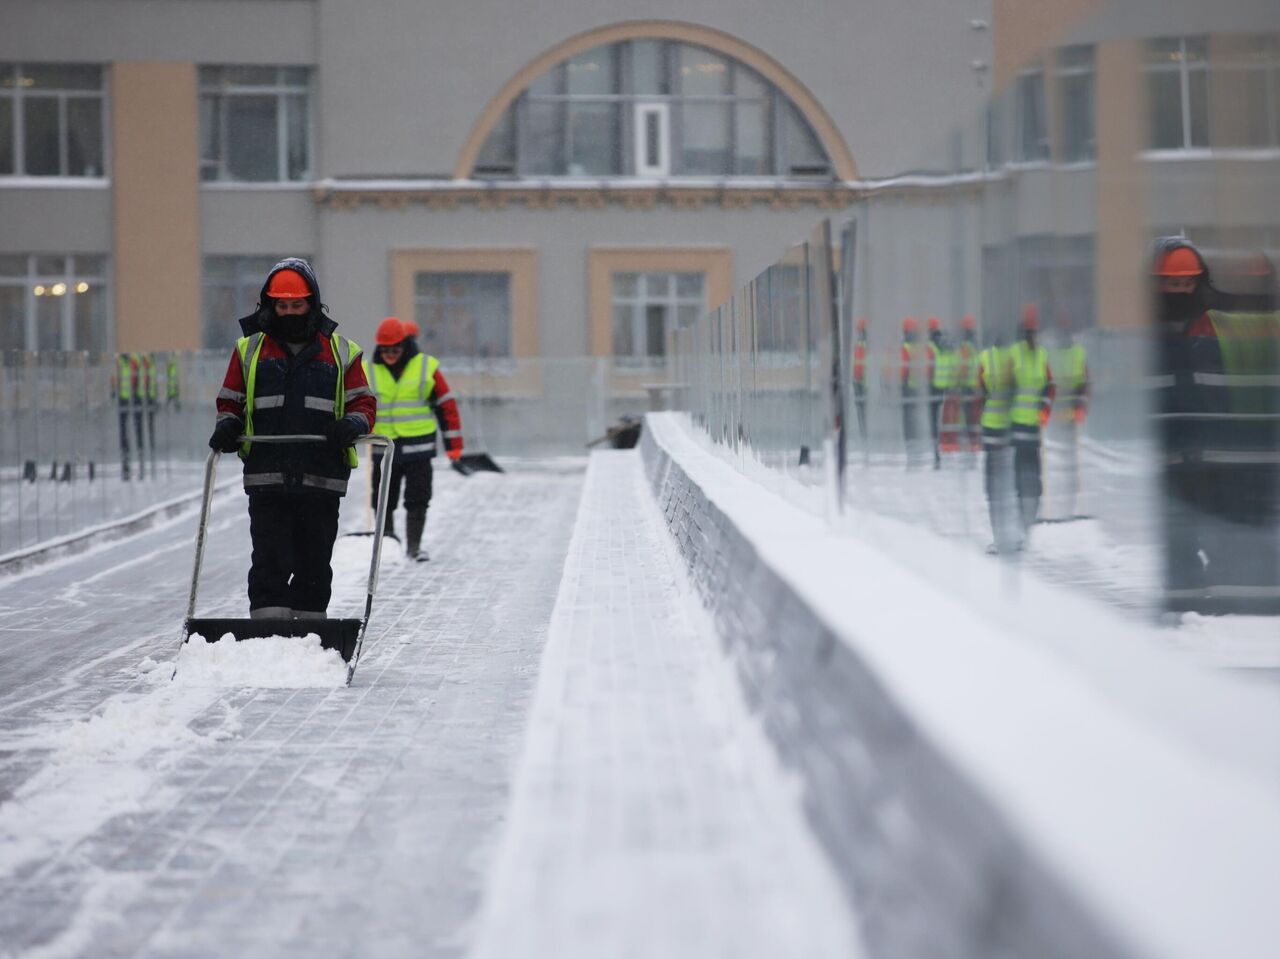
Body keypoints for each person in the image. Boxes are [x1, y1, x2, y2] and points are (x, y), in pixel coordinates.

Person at [208, 258, 376, 619]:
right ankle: (267, 632)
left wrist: (353, 424)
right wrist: (228, 425)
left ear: (312, 304)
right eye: (281, 306)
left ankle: (311, 635)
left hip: (322, 473)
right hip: (267, 474)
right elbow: (230, 401)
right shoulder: (248, 350)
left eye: (296, 305)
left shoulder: (342, 351)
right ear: (269, 306)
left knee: (314, 559)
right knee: (269, 557)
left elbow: (363, 401)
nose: (288, 313)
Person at [365, 316, 464, 562]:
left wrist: (454, 448)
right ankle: (387, 545)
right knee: (383, 499)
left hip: (419, 448)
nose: (390, 354)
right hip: (383, 449)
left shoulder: (426, 368)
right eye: (385, 350)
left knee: (418, 497)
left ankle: (414, 547)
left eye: (395, 349)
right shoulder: (367, 370)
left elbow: (446, 407)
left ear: (405, 346)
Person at [1009, 304, 1055, 538]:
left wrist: (1045, 410)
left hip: (1035, 426)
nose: (1033, 337)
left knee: (1034, 471)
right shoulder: (1014, 355)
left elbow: (1050, 386)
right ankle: (1020, 511)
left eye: (1035, 333)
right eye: (1030, 333)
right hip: (1017, 425)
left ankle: (1034, 512)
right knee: (1019, 470)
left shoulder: (1042, 356)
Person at [977, 331, 1016, 552]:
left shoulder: (985, 358)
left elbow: (977, 390)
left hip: (992, 425)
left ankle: (999, 537)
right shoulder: (1017, 356)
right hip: (1014, 425)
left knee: (994, 486)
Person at [925, 316, 954, 468]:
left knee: (933, 422)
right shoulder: (944, 347)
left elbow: (928, 369)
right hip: (943, 388)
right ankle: (938, 451)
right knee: (939, 422)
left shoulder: (931, 348)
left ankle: (936, 452)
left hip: (932, 388)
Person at [112, 351, 146, 480]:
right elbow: (115, 380)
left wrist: (140, 396)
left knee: (138, 434)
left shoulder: (135, 360)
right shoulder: (119, 362)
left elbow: (141, 379)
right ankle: (125, 468)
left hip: (136, 400)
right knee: (124, 436)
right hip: (123, 401)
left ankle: (141, 467)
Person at [900, 317, 922, 465]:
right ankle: (915, 446)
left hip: (907, 387)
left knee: (908, 420)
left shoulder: (905, 348)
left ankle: (911, 448)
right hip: (917, 387)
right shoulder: (919, 348)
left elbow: (903, 369)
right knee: (914, 419)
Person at [852, 316, 868, 443]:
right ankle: (863, 431)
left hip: (863, 381)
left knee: (863, 408)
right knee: (860, 408)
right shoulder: (858, 344)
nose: (859, 333)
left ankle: (865, 432)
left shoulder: (865, 344)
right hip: (858, 380)